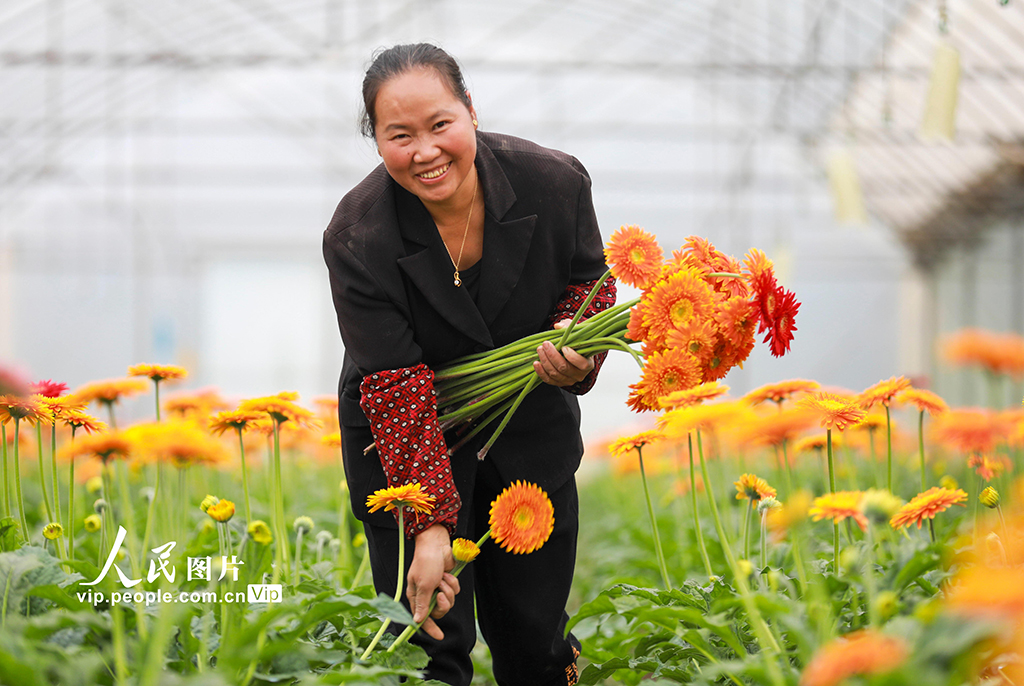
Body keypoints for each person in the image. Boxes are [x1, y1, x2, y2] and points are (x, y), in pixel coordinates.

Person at [323, 43, 616, 686]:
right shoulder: (358, 235)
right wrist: (427, 523)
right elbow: (396, 384)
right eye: (400, 135)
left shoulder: (555, 182)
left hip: (527, 426)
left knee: (534, 635)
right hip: (407, 437)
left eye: (440, 125)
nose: (425, 151)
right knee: (427, 642)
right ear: (377, 142)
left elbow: (589, 282)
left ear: (471, 113)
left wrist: (576, 339)